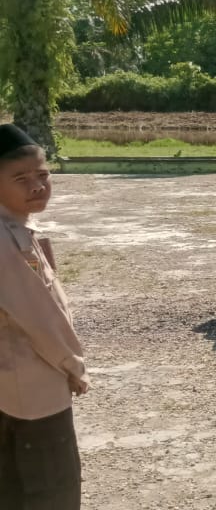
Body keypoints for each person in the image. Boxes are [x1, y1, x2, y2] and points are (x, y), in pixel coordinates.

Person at [0, 123, 88, 509]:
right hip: (31, 385)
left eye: (43, 175)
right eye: (20, 178)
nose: (37, 185)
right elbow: (38, 316)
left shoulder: (15, 228)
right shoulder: (4, 240)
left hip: (17, 383)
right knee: (50, 487)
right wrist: (74, 366)